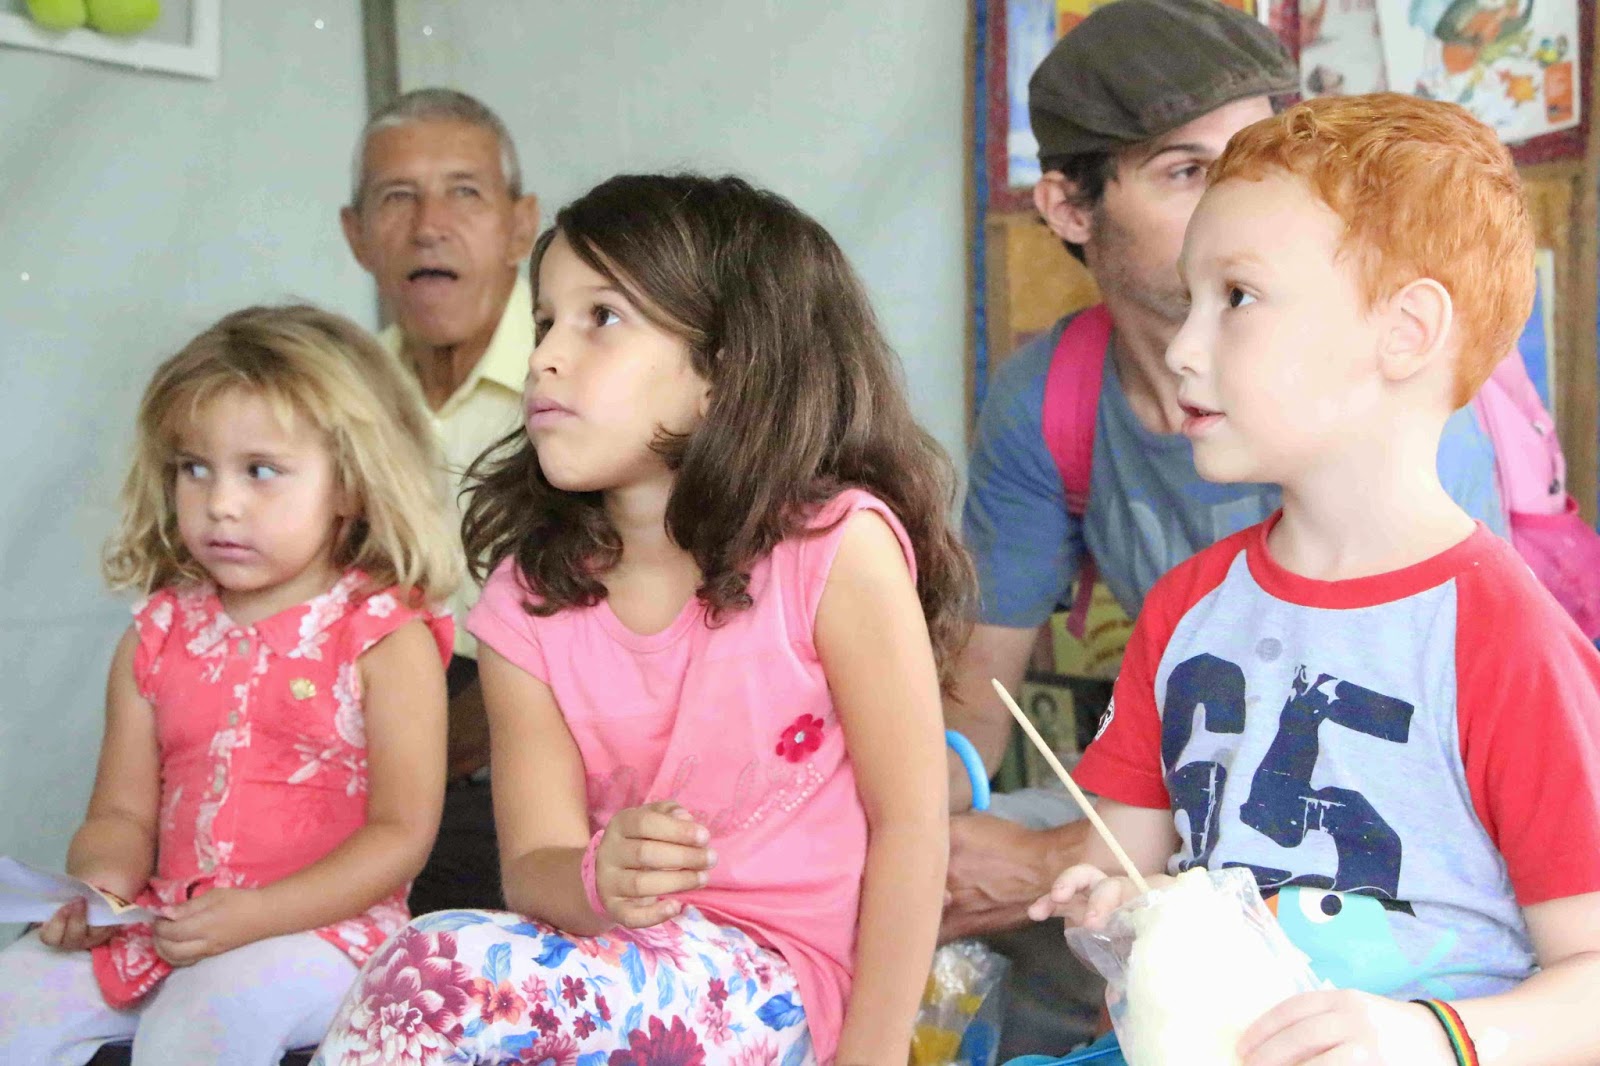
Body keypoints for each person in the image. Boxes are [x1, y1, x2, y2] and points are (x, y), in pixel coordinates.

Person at [310, 174, 973, 1066]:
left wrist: (872, 1059)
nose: (545, 356)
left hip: (786, 985)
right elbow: (535, 867)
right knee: (438, 969)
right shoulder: (525, 599)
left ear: (725, 370)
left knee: (437, 968)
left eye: (602, 318)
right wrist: (597, 878)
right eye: (546, 320)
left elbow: (912, 826)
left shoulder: (836, 548)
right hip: (613, 967)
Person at [942, 6, 1510, 1048]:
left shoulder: (1373, 421)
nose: (1238, 196)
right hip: (1189, 798)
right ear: (1068, 206)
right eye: (1186, 170)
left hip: (1382, 845)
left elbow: (1398, 797)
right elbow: (975, 706)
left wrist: (1065, 859)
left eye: (1253, 157)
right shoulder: (1053, 414)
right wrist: (913, 828)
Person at [1034, 93, 1600, 1065]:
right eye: (1189, 299)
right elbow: (1120, 859)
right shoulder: (1184, 611)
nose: (1180, 346)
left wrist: (1425, 1037)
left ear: (1405, 332)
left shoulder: (1502, 636)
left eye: (1236, 298)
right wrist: (1121, 905)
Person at [0, 306, 459, 1064]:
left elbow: (400, 835)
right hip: (170, 928)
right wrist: (100, 893)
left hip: (329, 938)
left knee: (209, 1012)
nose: (220, 502)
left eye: (260, 471)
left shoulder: (382, 636)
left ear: (349, 484)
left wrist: (257, 915)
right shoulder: (157, 636)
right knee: (14, 991)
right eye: (195, 468)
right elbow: (120, 814)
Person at [340, 88, 540, 913]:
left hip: (531, 767)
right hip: (364, 752)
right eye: (397, 197)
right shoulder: (336, 399)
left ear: (521, 225)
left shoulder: (583, 376)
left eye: (464, 192)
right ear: (355, 236)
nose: (430, 226)